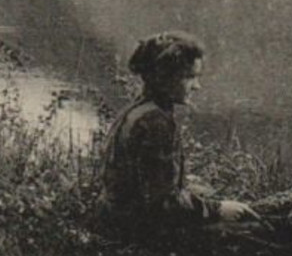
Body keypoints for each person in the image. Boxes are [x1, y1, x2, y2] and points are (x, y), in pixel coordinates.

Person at [99, 31, 259, 237]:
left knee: (207, 193)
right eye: (190, 78)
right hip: (136, 230)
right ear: (165, 77)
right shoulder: (156, 123)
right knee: (255, 230)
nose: (197, 87)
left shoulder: (138, 110)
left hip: (115, 218)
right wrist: (217, 209)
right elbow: (163, 203)